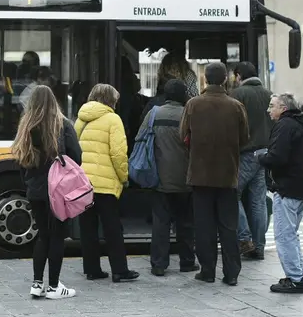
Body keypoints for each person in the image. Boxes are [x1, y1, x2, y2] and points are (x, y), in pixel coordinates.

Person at [180, 62, 249, 286]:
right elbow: (245, 138)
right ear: (224, 79)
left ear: (205, 79)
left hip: (200, 175)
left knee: (204, 225)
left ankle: (207, 270)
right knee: (228, 226)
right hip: (228, 174)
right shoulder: (236, 106)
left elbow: (183, 135)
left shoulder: (193, 104)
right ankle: (231, 273)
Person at [12, 85, 81, 299]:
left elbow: (22, 162)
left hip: (35, 190)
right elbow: (76, 157)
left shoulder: (26, 126)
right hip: (57, 190)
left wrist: (30, 182)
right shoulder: (62, 125)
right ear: (53, 102)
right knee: (57, 237)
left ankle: (37, 283)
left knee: (43, 236)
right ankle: (53, 287)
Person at [74, 83, 139, 283]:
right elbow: (118, 153)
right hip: (105, 184)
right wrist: (124, 177)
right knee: (112, 228)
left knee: (88, 228)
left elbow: (74, 151)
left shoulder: (80, 119)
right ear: (111, 100)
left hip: (84, 183)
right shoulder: (113, 119)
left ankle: (92, 269)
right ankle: (119, 270)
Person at [137, 79, 198, 276]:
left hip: (159, 177)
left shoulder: (153, 113)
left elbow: (140, 138)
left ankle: (159, 264)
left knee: (160, 222)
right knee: (185, 223)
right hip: (185, 179)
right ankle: (187, 261)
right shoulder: (189, 115)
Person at [259, 93, 303, 293]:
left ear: (283, 108)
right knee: (291, 234)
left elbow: (278, 157)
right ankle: (300, 274)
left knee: (284, 236)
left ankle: (295, 279)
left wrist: (262, 158)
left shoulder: (284, 126)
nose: (268, 110)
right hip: (301, 186)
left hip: (287, 187)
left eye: (272, 106)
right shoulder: (301, 124)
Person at [230, 62, 273, 259]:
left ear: (239, 76)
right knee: (258, 200)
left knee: (231, 193)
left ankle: (245, 238)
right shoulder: (268, 94)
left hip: (246, 153)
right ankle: (259, 246)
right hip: (265, 153)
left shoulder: (238, 95)